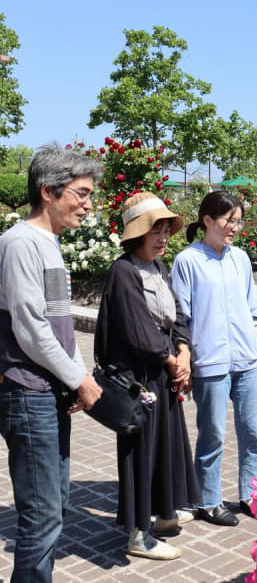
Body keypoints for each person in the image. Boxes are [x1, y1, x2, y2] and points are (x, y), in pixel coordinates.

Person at [0, 143, 104, 583]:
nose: (88, 204)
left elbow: (59, 323)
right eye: (81, 193)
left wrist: (79, 375)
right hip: (27, 394)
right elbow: (30, 328)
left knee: (53, 506)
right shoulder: (20, 243)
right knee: (42, 516)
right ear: (48, 191)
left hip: (47, 394)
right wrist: (77, 378)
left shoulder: (48, 243)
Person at [94, 192, 200, 560]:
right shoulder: (124, 271)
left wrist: (185, 351)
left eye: (166, 229)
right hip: (141, 379)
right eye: (155, 229)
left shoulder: (157, 268)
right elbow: (139, 332)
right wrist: (174, 361)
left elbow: (178, 316)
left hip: (163, 372)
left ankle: (163, 514)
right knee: (140, 452)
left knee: (165, 446)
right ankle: (138, 534)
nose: (163, 237)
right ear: (136, 234)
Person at [171, 192, 257, 527]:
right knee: (212, 434)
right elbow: (179, 318)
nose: (235, 227)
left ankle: (249, 495)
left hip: (245, 359)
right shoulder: (187, 260)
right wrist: (183, 360)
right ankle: (208, 500)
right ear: (208, 221)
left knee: (252, 433)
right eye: (229, 220)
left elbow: (252, 311)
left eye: (238, 221)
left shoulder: (240, 258)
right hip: (210, 362)